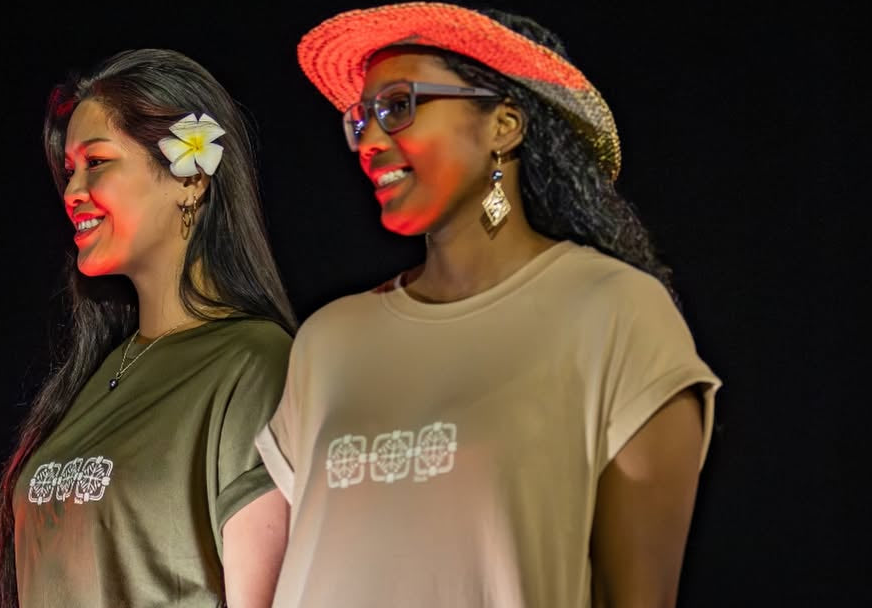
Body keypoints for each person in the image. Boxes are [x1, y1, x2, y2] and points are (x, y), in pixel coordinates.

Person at [255, 3, 722, 606]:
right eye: (361, 119)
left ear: (504, 125)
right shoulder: (328, 340)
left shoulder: (613, 313)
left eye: (397, 107)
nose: (367, 140)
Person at [0, 48, 294, 608]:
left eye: (97, 161)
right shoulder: (94, 378)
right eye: (69, 170)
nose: (72, 191)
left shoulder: (253, 364)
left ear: (191, 178)